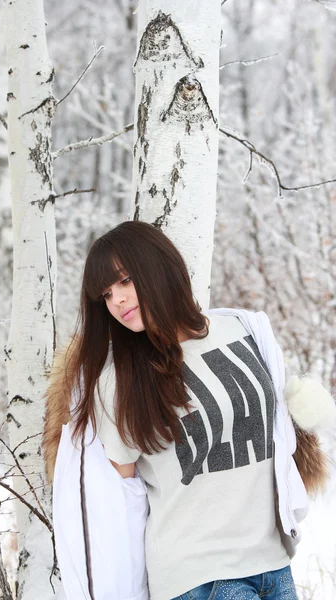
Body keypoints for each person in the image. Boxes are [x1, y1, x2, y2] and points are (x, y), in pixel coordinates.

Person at [43, 220, 331, 600]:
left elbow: (278, 434)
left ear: (159, 266)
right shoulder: (119, 383)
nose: (118, 301)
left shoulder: (244, 329)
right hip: (198, 577)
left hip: (273, 563)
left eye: (125, 281)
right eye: (106, 295)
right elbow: (118, 504)